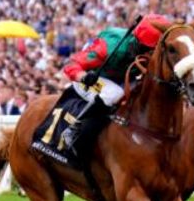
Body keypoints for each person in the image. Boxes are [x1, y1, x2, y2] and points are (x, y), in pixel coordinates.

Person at [58, 15, 167, 154]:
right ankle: (74, 129)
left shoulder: (147, 51)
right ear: (138, 43)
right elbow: (72, 65)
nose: (152, 54)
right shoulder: (110, 45)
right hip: (91, 81)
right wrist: (84, 76)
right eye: (149, 49)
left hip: (119, 81)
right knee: (115, 93)